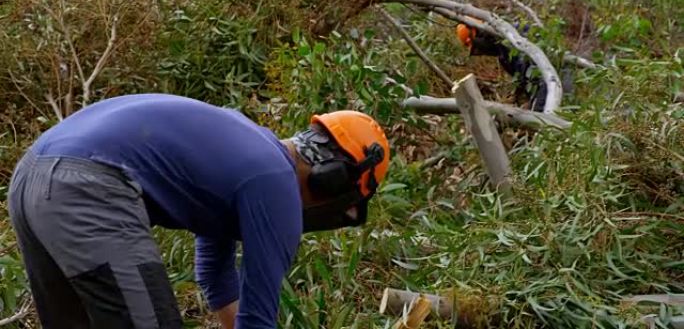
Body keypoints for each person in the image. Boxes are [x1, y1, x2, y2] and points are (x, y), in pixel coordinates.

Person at [7, 93, 390, 329]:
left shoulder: (245, 154)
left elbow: (215, 277)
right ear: (334, 180)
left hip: (31, 180)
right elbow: (257, 320)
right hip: (88, 188)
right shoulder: (276, 184)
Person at [456, 19, 573, 112]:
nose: (481, 53)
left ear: (480, 36)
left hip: (555, 80)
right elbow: (523, 79)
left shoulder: (513, 37)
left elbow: (538, 77)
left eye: (478, 49)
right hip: (545, 83)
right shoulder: (502, 53)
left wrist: (535, 107)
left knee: (544, 119)